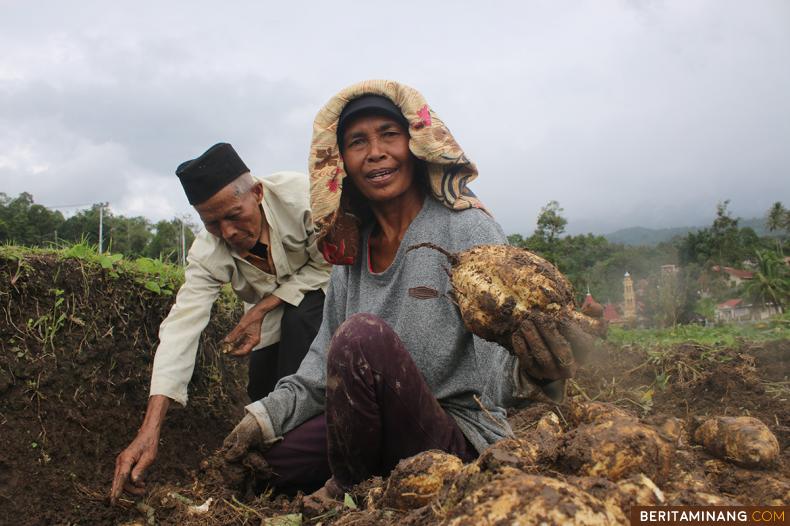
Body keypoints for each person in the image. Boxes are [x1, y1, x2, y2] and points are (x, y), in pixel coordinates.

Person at [221, 80, 598, 507]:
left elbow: (496, 372)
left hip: (447, 434)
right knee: (265, 466)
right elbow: (318, 368)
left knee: (362, 336)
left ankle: (347, 488)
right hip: (370, 426)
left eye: (389, 134)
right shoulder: (351, 253)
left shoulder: (465, 230)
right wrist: (261, 419)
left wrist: (536, 371)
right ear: (341, 161)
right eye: (358, 142)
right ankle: (357, 469)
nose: (376, 151)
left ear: (416, 144)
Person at [110, 143, 331, 504]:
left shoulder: (301, 198)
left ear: (257, 193)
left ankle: (322, 467)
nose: (227, 232)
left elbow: (330, 264)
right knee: (264, 389)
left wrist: (259, 310)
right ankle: (280, 482)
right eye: (212, 223)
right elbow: (182, 326)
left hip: (328, 299)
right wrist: (149, 430)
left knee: (303, 325)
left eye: (233, 215)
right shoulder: (209, 250)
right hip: (273, 319)